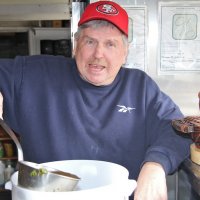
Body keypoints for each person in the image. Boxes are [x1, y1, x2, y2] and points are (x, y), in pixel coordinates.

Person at [0, 1, 192, 199]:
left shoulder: (140, 88)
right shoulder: (34, 74)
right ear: (76, 46)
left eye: (110, 44)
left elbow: (178, 130)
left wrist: (155, 166)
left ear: (125, 53)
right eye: (90, 42)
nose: (98, 54)